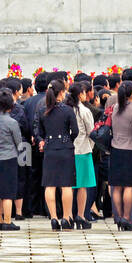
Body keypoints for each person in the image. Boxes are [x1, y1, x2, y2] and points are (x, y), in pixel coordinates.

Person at [36, 80, 78, 230]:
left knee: (50, 185)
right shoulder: (67, 110)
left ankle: (54, 218)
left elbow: (39, 133)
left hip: (50, 149)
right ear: (61, 92)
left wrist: (44, 141)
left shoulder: (42, 111)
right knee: (66, 185)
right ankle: (66, 217)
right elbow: (76, 131)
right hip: (65, 149)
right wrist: (68, 141)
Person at [108, 80, 132, 231]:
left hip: (115, 150)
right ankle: (126, 217)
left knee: (116, 187)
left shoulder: (115, 108)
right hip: (130, 151)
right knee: (129, 187)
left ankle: (118, 218)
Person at [0, 89, 25, 231]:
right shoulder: (12, 122)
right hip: (9, 158)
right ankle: (8, 221)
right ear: (11, 105)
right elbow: (19, 143)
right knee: (9, 192)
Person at [69, 83, 96, 229]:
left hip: (68, 151)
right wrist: (90, 147)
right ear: (80, 94)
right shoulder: (84, 111)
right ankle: (80, 214)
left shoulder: (66, 109)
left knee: (69, 186)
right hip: (83, 150)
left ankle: (68, 215)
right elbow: (91, 132)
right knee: (82, 186)